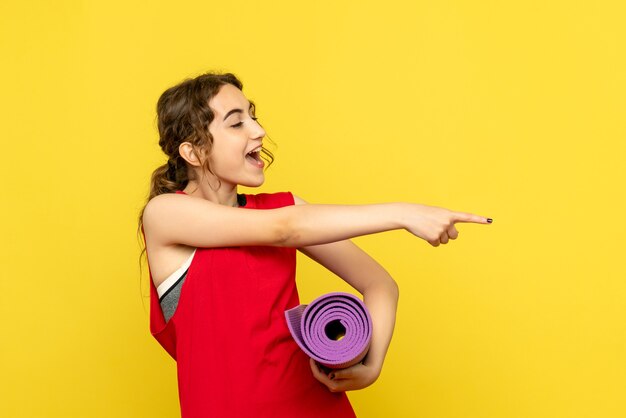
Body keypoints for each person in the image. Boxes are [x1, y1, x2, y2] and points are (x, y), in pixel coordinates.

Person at [137, 71, 492, 418]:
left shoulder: (285, 209)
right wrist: (403, 213)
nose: (259, 131)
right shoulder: (165, 214)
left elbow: (380, 285)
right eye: (236, 123)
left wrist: (372, 366)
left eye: (254, 116)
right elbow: (285, 229)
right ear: (193, 152)